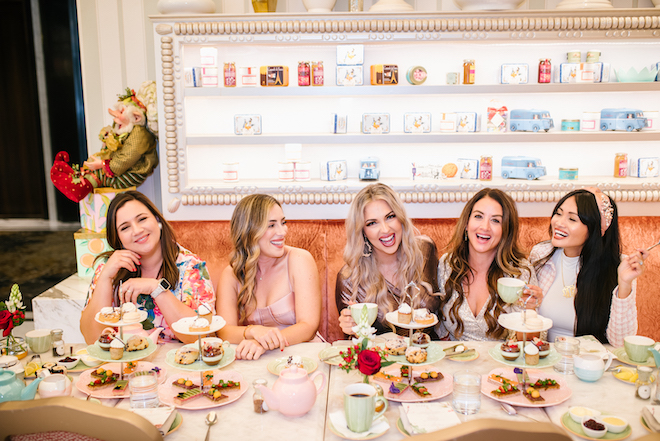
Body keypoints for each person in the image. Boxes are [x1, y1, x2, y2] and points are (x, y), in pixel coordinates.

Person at [80, 191, 215, 344]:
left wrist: (156, 288)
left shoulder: (191, 267)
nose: (137, 231)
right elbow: (92, 340)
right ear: (118, 238)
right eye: (125, 228)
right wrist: (105, 278)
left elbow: (199, 336)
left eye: (142, 219)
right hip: (124, 364)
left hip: (178, 363)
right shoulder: (109, 269)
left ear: (157, 220)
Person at [529, 188, 647, 346]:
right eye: (558, 213)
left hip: (591, 365)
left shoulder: (619, 268)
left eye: (572, 219)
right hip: (544, 359)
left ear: (595, 229)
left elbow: (620, 343)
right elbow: (524, 320)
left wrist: (624, 284)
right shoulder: (540, 256)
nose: (559, 223)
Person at [216, 194, 321, 360]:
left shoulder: (299, 259)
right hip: (258, 358)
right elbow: (223, 330)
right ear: (249, 231)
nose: (282, 231)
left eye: (283, 222)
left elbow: (308, 326)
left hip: (302, 356)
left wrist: (264, 343)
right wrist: (251, 331)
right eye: (271, 225)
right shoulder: (232, 274)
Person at [335, 183, 440, 337]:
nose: (385, 230)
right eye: (372, 223)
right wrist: (352, 328)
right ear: (362, 231)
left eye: (390, 217)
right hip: (383, 357)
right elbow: (358, 344)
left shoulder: (425, 250)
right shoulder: (349, 279)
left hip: (430, 353)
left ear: (401, 218)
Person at [437, 188, 541, 341]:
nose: (485, 227)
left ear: (506, 230)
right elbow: (437, 329)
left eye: (495, 220)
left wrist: (530, 311)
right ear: (466, 223)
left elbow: (527, 344)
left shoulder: (520, 272)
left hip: (502, 362)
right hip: (455, 360)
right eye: (478, 216)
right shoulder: (447, 264)